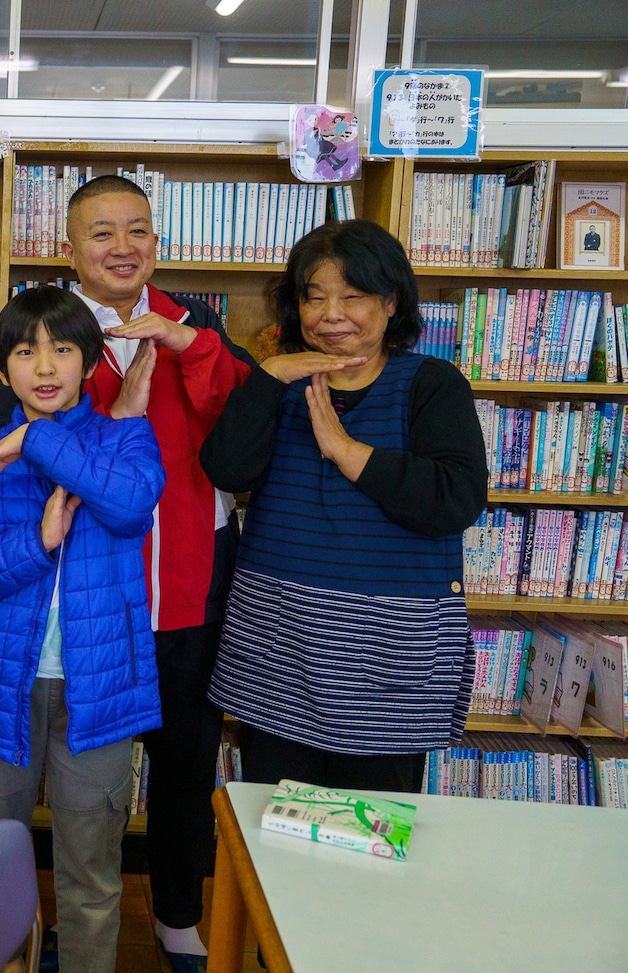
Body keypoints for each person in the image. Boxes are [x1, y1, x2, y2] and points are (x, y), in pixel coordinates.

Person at [0, 174, 252, 971]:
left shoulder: (194, 322)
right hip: (90, 595)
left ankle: (176, 915)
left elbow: (240, 431)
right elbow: (34, 443)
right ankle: (47, 920)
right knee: (78, 774)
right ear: (70, 249)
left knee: (182, 758)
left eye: (137, 229)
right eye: (102, 232)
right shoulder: (50, 330)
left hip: (186, 583)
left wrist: (187, 345)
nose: (122, 246)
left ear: (157, 241)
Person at [200, 219, 488, 794]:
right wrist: (269, 377)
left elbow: (454, 500)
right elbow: (228, 470)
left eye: (351, 296)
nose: (330, 314)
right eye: (314, 297)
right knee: (273, 828)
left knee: (370, 836)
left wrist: (346, 452)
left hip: (388, 652)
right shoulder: (278, 384)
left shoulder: (431, 383)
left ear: (390, 302)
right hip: (280, 642)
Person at [0, 285, 166, 973]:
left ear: (89, 360)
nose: (45, 364)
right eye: (25, 350)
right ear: (3, 369)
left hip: (99, 693)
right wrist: (35, 542)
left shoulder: (126, 437)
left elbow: (127, 505)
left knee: (90, 874)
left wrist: (37, 438)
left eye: (62, 347)